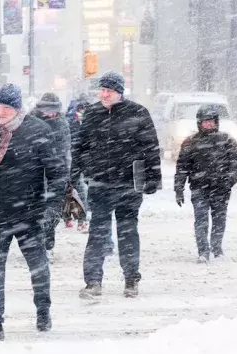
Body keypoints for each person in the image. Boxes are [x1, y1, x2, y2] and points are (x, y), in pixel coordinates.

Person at [0, 84, 67, 342]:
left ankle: (43, 310)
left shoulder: (37, 130)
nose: (1, 112)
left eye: (7, 107)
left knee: (38, 268)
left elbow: (57, 173)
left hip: (30, 213)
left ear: (18, 108)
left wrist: (50, 210)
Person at [73, 71, 162, 299]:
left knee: (127, 232)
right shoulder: (92, 113)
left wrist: (153, 179)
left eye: (109, 91)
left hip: (129, 184)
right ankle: (93, 282)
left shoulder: (138, 113)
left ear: (119, 93)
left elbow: (151, 148)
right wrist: (81, 169)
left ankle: (131, 279)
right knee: (98, 234)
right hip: (100, 184)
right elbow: (80, 145)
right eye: (102, 90)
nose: (104, 95)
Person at [174, 105, 237, 263]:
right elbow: (182, 167)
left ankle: (217, 249)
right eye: (205, 122)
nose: (208, 125)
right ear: (199, 123)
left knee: (219, 220)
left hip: (221, 189)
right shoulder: (190, 142)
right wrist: (178, 188)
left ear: (216, 122)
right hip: (199, 188)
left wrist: (228, 182)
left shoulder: (227, 140)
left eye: (211, 122)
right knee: (201, 220)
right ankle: (203, 252)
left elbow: (236, 165)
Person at [29, 92, 70, 254]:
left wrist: (65, 171)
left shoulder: (61, 123)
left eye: (54, 110)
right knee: (36, 206)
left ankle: (49, 230)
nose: (51, 113)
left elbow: (65, 148)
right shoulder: (31, 122)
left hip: (57, 168)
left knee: (54, 205)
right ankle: (38, 237)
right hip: (35, 169)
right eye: (48, 110)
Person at [66, 95, 90, 232]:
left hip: (78, 159)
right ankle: (74, 218)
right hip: (74, 159)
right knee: (75, 189)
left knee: (77, 189)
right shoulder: (71, 122)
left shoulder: (74, 121)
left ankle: (78, 218)